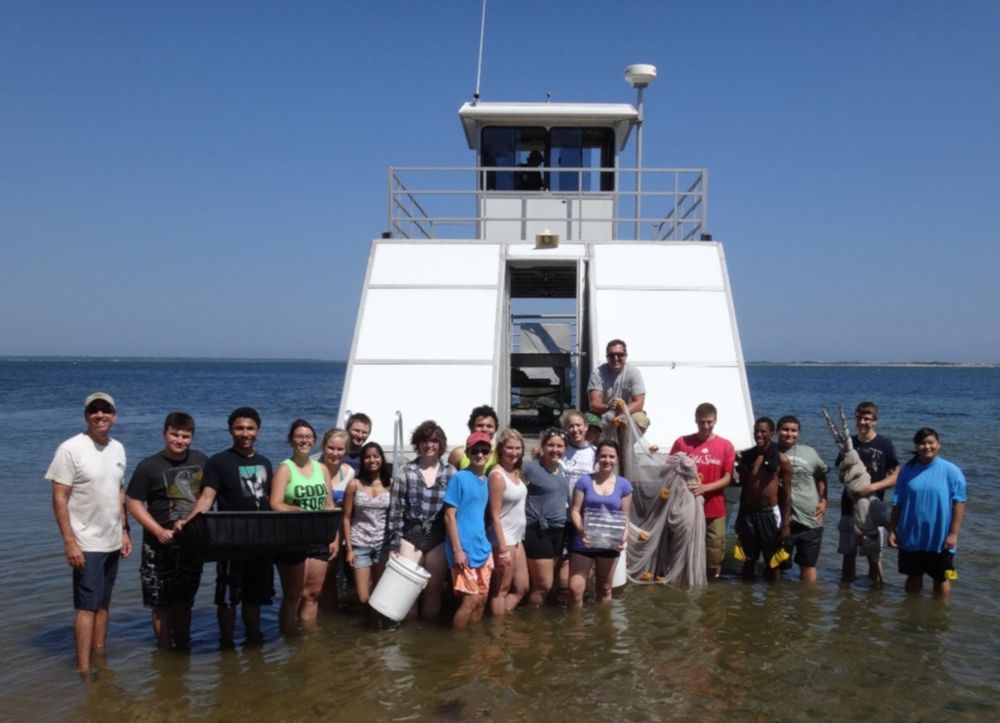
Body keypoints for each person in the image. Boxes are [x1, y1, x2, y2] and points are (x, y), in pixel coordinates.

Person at [47, 392, 133, 673]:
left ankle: (100, 658)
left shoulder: (118, 448)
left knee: (104, 603)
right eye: (94, 411)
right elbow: (59, 496)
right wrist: (70, 542)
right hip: (85, 541)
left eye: (105, 410)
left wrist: (124, 530)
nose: (100, 415)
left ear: (114, 415)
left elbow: (119, 492)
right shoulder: (70, 449)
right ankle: (83, 669)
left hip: (111, 539)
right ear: (86, 416)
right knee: (87, 606)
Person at [183, 407, 273, 648]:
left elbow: (272, 502)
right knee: (228, 599)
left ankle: (255, 643)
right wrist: (188, 521)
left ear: (258, 431)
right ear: (231, 430)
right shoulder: (218, 462)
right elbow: (206, 498)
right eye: (240, 428)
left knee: (255, 599)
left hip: (261, 543)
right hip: (230, 543)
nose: (245, 433)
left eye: (250, 428)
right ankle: (226, 645)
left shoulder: (265, 462)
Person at [125, 411, 208, 649]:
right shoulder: (148, 466)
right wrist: (157, 530)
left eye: (185, 436)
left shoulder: (202, 460)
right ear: (165, 434)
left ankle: (182, 647)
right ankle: (164, 651)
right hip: (157, 543)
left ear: (192, 437)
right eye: (175, 435)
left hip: (191, 542)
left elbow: (207, 495)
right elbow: (133, 502)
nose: (179, 441)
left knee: (184, 601)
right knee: (161, 602)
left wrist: (192, 522)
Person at [269, 420, 337, 633]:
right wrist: (294, 510)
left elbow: (329, 505)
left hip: (319, 537)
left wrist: (334, 536)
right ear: (291, 440)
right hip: (293, 538)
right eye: (299, 436)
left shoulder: (322, 469)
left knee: (313, 594)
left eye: (308, 436)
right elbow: (275, 503)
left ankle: (308, 640)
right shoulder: (284, 468)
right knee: (293, 595)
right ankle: (290, 640)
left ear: (314, 441)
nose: (304, 440)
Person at [384, 420, 455, 620]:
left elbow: (455, 511)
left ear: (440, 445)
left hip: (438, 535)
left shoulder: (450, 472)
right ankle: (409, 633)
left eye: (434, 441)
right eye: (425, 441)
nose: (429, 445)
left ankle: (428, 638)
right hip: (411, 533)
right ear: (418, 444)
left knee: (433, 591)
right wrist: (394, 544)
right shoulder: (406, 472)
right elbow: (396, 510)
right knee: (408, 592)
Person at [888, 428, 967, 598]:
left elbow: (959, 503)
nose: (927, 446)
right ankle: (910, 614)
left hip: (939, 537)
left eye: (931, 442)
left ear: (938, 445)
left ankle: (939, 617)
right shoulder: (907, 471)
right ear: (916, 446)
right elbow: (897, 502)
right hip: (911, 535)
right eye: (922, 443)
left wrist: (953, 533)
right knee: (913, 576)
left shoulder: (951, 471)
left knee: (941, 578)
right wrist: (892, 529)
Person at [669, 402, 735, 580]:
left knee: (714, 554)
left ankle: (711, 587)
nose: (705, 426)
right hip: (686, 508)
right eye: (701, 422)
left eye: (709, 422)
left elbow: (727, 479)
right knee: (684, 549)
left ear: (715, 420)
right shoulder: (682, 442)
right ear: (695, 421)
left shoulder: (726, 446)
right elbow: (668, 470)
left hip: (714, 509)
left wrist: (704, 488)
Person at [837, 401, 899, 583]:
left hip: (873, 508)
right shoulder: (849, 444)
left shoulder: (885, 444)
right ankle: (847, 597)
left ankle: (876, 593)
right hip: (848, 507)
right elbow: (841, 473)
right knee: (848, 554)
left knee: (874, 555)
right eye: (859, 418)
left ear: (875, 421)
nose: (862, 422)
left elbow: (896, 475)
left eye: (867, 418)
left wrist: (872, 488)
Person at [568, 440, 632, 607]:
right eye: (603, 456)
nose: (607, 460)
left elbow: (625, 517)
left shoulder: (624, 485)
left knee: (604, 589)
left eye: (612, 456)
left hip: (610, 543)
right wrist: (581, 530)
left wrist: (623, 538)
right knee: (575, 589)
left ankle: (604, 629)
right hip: (584, 541)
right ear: (597, 457)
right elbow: (575, 510)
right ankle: (576, 630)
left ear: (617, 459)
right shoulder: (584, 481)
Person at [443, 432, 495, 629]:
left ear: (490, 454)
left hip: (482, 547)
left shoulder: (487, 480)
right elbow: (449, 516)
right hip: (463, 549)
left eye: (484, 451)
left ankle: (474, 645)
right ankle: (458, 646)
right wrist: (457, 550)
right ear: (467, 452)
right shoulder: (459, 478)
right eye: (475, 451)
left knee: (481, 599)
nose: (480, 455)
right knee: (470, 600)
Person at [734, 418, 792, 582]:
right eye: (756, 431)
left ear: (771, 433)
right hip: (749, 512)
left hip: (769, 514)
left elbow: (787, 495)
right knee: (748, 559)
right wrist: (740, 517)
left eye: (763, 431)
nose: (759, 435)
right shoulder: (748, 458)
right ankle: (746, 600)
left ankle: (773, 602)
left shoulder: (781, 461)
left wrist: (786, 524)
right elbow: (745, 490)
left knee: (773, 561)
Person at [776, 416, 829, 583]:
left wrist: (824, 500)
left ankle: (807, 605)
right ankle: (775, 604)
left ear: (799, 433)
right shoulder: (770, 451)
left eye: (793, 430)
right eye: (785, 429)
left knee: (808, 565)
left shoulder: (810, 453)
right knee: (776, 564)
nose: (789, 434)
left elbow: (821, 476)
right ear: (777, 431)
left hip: (810, 519)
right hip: (783, 519)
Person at [523, 428, 569, 606]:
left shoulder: (562, 468)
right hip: (537, 530)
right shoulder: (530, 467)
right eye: (550, 445)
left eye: (559, 446)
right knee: (543, 585)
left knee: (550, 585)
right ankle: (533, 623)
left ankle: (542, 623)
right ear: (542, 446)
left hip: (558, 531)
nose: (555, 449)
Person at [342, 441, 392, 606]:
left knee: (380, 595)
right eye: (368, 457)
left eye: (376, 456)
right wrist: (349, 550)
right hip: (360, 544)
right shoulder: (354, 485)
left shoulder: (391, 484)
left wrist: (394, 546)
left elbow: (395, 516)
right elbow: (347, 518)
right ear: (362, 460)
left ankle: (377, 628)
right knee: (363, 598)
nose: (372, 460)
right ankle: (371, 624)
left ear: (382, 459)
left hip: (382, 545)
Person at [486, 428, 529, 616]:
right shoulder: (497, 475)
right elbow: (494, 514)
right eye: (510, 448)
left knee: (522, 587)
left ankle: (501, 620)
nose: (514, 452)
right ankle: (497, 634)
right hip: (503, 538)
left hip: (517, 537)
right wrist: (502, 548)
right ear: (501, 450)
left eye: (518, 448)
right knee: (500, 591)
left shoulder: (515, 472)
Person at [587, 339, 649, 431]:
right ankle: (599, 445)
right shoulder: (597, 373)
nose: (616, 358)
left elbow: (639, 403)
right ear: (607, 357)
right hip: (604, 412)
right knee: (587, 422)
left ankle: (627, 444)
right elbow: (594, 404)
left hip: (628, 411)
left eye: (620, 355)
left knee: (641, 420)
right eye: (612, 355)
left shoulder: (634, 372)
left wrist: (623, 413)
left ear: (625, 356)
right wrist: (609, 407)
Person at [447, 404, 499, 472]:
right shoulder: (458, 454)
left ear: (495, 429)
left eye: (489, 426)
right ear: (471, 427)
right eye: (480, 425)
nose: (484, 429)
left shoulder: (500, 453)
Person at [319, 427, 356, 508]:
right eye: (331, 448)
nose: (335, 453)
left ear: (346, 450)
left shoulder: (349, 473)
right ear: (323, 447)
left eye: (340, 449)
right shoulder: (312, 470)